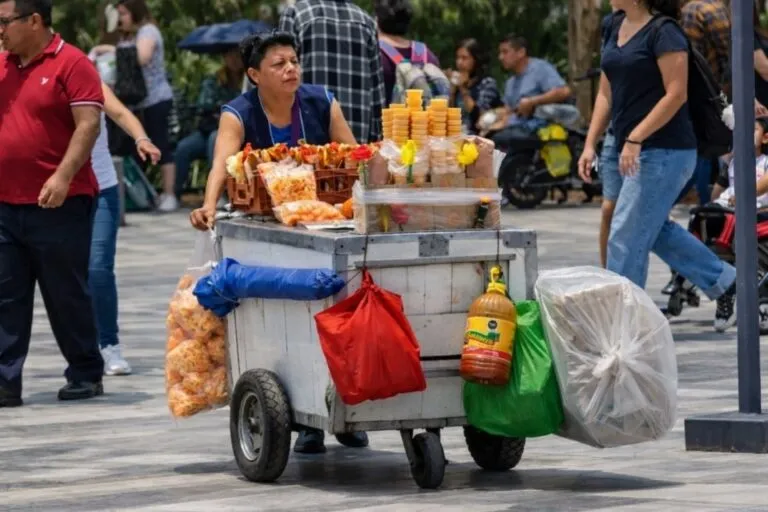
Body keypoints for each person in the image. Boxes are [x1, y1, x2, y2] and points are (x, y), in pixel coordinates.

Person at [189, 33, 368, 453]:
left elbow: (354, 154)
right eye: (279, 64)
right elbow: (221, 163)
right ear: (254, 75)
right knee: (295, 322)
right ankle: (307, 420)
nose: (291, 69)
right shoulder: (238, 113)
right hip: (269, 231)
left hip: (325, 224)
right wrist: (209, 205)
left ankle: (346, 406)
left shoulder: (322, 101)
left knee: (342, 306)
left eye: (293, 61)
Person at [578, 0, 737, 331]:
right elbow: (606, 91)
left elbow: (676, 94)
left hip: (665, 150)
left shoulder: (664, 32)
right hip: (624, 147)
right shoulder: (613, 25)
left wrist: (636, 138)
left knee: (625, 231)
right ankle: (727, 281)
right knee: (653, 229)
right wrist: (590, 142)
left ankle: (624, 324)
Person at [0, 0, 106, 406]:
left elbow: (89, 124)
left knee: (65, 292)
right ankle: (6, 381)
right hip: (6, 205)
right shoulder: (5, 65)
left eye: (5, 22)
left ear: (35, 20)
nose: (1, 30)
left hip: (61, 202)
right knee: (5, 295)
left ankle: (84, 372)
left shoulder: (72, 63)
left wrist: (62, 176)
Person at [92, 81, 161, 375]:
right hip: (48, 192)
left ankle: (109, 345)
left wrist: (141, 139)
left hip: (101, 188)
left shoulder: (81, 72)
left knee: (97, 268)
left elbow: (120, 113)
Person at [92, 0, 177, 211]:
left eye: (124, 14)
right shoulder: (126, 36)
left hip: (156, 99)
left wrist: (110, 49)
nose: (122, 19)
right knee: (136, 148)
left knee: (160, 144)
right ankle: (143, 196)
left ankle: (169, 193)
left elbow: (141, 57)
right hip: (137, 102)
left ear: (136, 12)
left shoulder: (148, 31)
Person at [279, 0, 385, 143]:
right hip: (356, 138)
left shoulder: (296, 14)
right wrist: (375, 140)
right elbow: (377, 91)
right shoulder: (366, 21)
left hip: (307, 138)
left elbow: (280, 81)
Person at [174, 48, 244, 199]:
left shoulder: (248, 80)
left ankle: (218, 194)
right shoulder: (215, 79)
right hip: (210, 127)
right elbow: (204, 104)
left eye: (238, 56)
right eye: (230, 55)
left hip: (235, 131)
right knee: (183, 148)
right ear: (225, 57)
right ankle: (174, 194)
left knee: (215, 141)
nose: (234, 60)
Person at [487, 34, 576, 152]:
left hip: (543, 128)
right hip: (519, 127)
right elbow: (509, 110)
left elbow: (564, 91)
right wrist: (491, 119)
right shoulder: (511, 82)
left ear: (521, 52)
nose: (501, 57)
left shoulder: (540, 68)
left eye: (505, 52)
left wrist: (533, 101)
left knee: (500, 139)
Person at [374, 0, 443, 105]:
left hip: (389, 120)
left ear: (377, 19)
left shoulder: (374, 52)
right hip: (423, 120)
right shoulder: (426, 54)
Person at [447, 39, 502, 135]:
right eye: (458, 58)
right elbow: (450, 114)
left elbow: (479, 118)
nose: (459, 62)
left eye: (464, 58)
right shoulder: (459, 82)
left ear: (476, 60)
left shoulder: (487, 83)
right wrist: (452, 90)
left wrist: (463, 89)